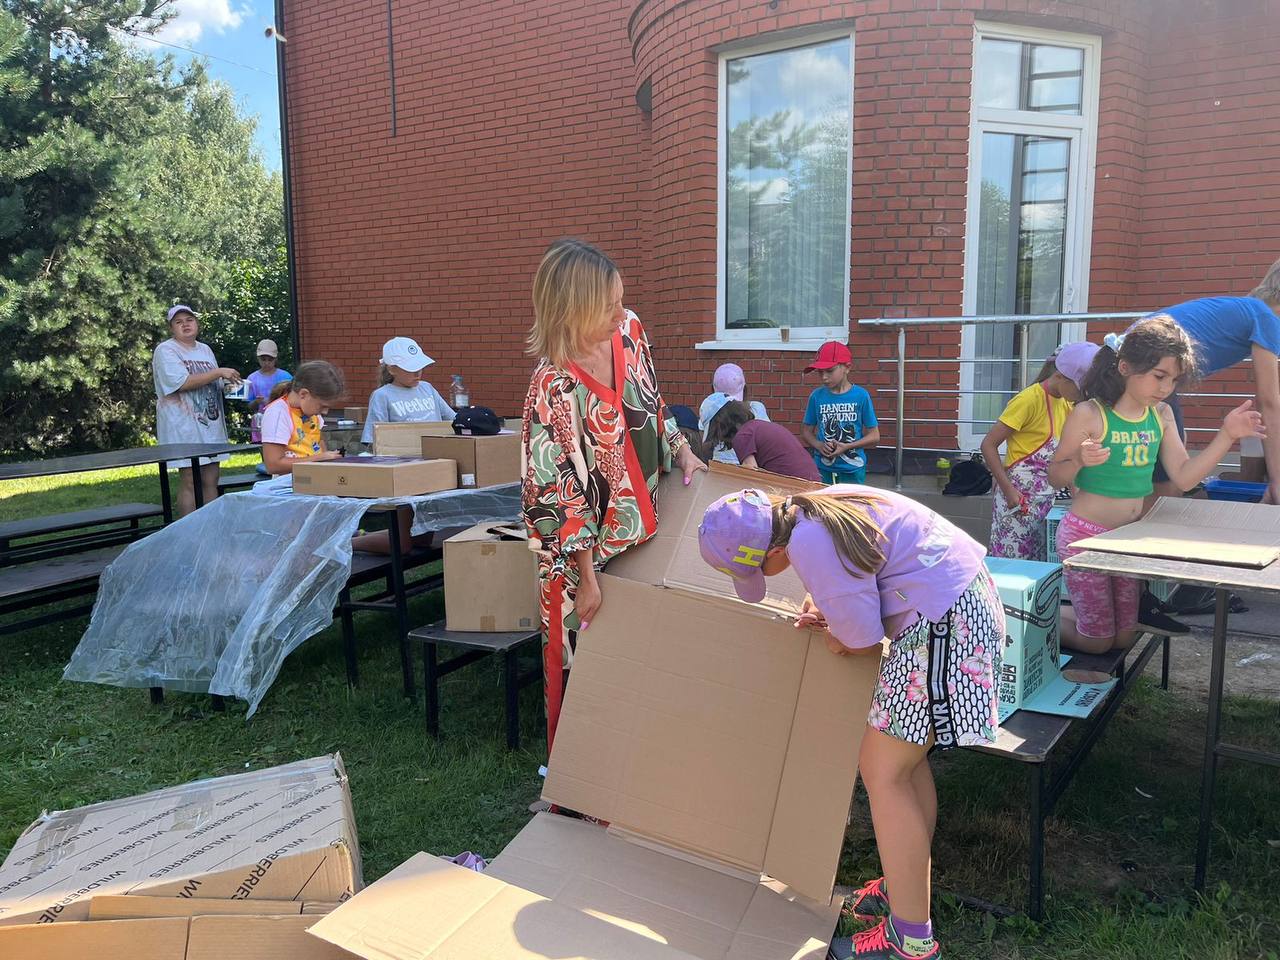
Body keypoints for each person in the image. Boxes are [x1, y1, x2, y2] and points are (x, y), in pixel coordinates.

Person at [697, 486, 1003, 960]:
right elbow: (863, 574)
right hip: (956, 604)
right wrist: (833, 611)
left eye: (756, 570)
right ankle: (903, 885)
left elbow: (860, 641)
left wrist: (836, 637)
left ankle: (911, 941)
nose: (765, 577)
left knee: (884, 772)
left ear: (773, 551)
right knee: (903, 766)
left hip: (944, 624)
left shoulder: (807, 542)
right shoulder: (811, 507)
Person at [521, 238, 706, 751]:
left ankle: (636, 756)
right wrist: (586, 578)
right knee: (582, 657)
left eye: (621, 300)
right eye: (608, 306)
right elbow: (554, 492)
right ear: (571, 309)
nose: (620, 313)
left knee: (641, 651)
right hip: (577, 552)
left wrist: (681, 449)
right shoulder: (552, 385)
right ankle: (582, 772)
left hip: (640, 523)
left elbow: (651, 399)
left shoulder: (630, 331)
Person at [1047, 317, 1263, 654]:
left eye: (1174, 379)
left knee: (1123, 638)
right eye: (1159, 376)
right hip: (1084, 539)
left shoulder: (1160, 414)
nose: (1166, 388)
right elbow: (1055, 476)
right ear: (1124, 367)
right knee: (1099, 642)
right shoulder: (1090, 413)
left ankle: (1069, 618)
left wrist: (1227, 436)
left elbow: (1185, 477)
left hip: (1127, 541)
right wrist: (1078, 460)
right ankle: (1031, 622)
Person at [1149, 257, 1280, 502]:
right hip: (1145, 374)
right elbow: (1268, 402)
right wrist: (1277, 482)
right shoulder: (1267, 318)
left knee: (1170, 461)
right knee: (1169, 483)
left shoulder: (1249, 309)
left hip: (1134, 369)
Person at [979, 342, 1097, 560]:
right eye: (1079, 389)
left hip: (1045, 502)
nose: (1081, 395)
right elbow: (988, 445)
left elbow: (1068, 457)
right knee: (1011, 564)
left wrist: (1077, 496)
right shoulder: (1028, 400)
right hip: (1017, 499)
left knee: (1038, 564)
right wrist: (1008, 490)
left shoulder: (1066, 405)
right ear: (1061, 376)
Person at [152, 304, 241, 516]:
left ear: (197, 323)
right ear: (172, 328)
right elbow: (180, 383)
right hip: (183, 426)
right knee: (191, 479)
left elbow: (213, 382)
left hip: (210, 425)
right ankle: (188, 529)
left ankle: (211, 525)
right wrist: (219, 372)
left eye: (189, 320)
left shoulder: (205, 350)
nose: (185, 324)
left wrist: (231, 385)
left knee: (211, 478)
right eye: (178, 322)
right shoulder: (166, 350)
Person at [802, 341, 880, 483]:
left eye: (829, 370)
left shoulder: (861, 396)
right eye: (820, 372)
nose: (824, 377)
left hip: (853, 470)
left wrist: (847, 446)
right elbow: (807, 432)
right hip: (822, 469)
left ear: (847, 368)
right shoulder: (816, 397)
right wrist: (819, 445)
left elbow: (874, 436)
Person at [360, 337, 455, 446]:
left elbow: (454, 419)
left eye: (420, 367)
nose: (417, 373)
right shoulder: (382, 396)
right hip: (401, 454)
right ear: (392, 369)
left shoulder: (427, 388)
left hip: (434, 451)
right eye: (411, 368)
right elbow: (374, 439)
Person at [259, 361, 346, 476]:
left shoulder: (312, 413)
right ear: (303, 394)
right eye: (322, 406)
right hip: (288, 483)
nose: (325, 412)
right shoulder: (277, 413)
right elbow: (273, 465)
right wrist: (318, 459)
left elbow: (319, 444)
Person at [703, 400, 820, 481]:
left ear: (720, 426)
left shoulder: (742, 436)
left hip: (797, 486)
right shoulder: (756, 426)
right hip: (812, 480)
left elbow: (751, 473)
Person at [698, 362, 771, 464]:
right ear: (745, 388)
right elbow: (767, 439)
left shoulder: (709, 409)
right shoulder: (756, 408)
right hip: (751, 466)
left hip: (717, 465)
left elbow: (703, 442)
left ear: (713, 389)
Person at [244, 339, 293, 444]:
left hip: (282, 421)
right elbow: (249, 406)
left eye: (270, 360)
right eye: (263, 359)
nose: (266, 363)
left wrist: (272, 402)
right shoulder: (252, 379)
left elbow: (293, 400)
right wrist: (257, 402)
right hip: (260, 422)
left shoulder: (286, 377)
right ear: (258, 359)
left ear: (276, 359)